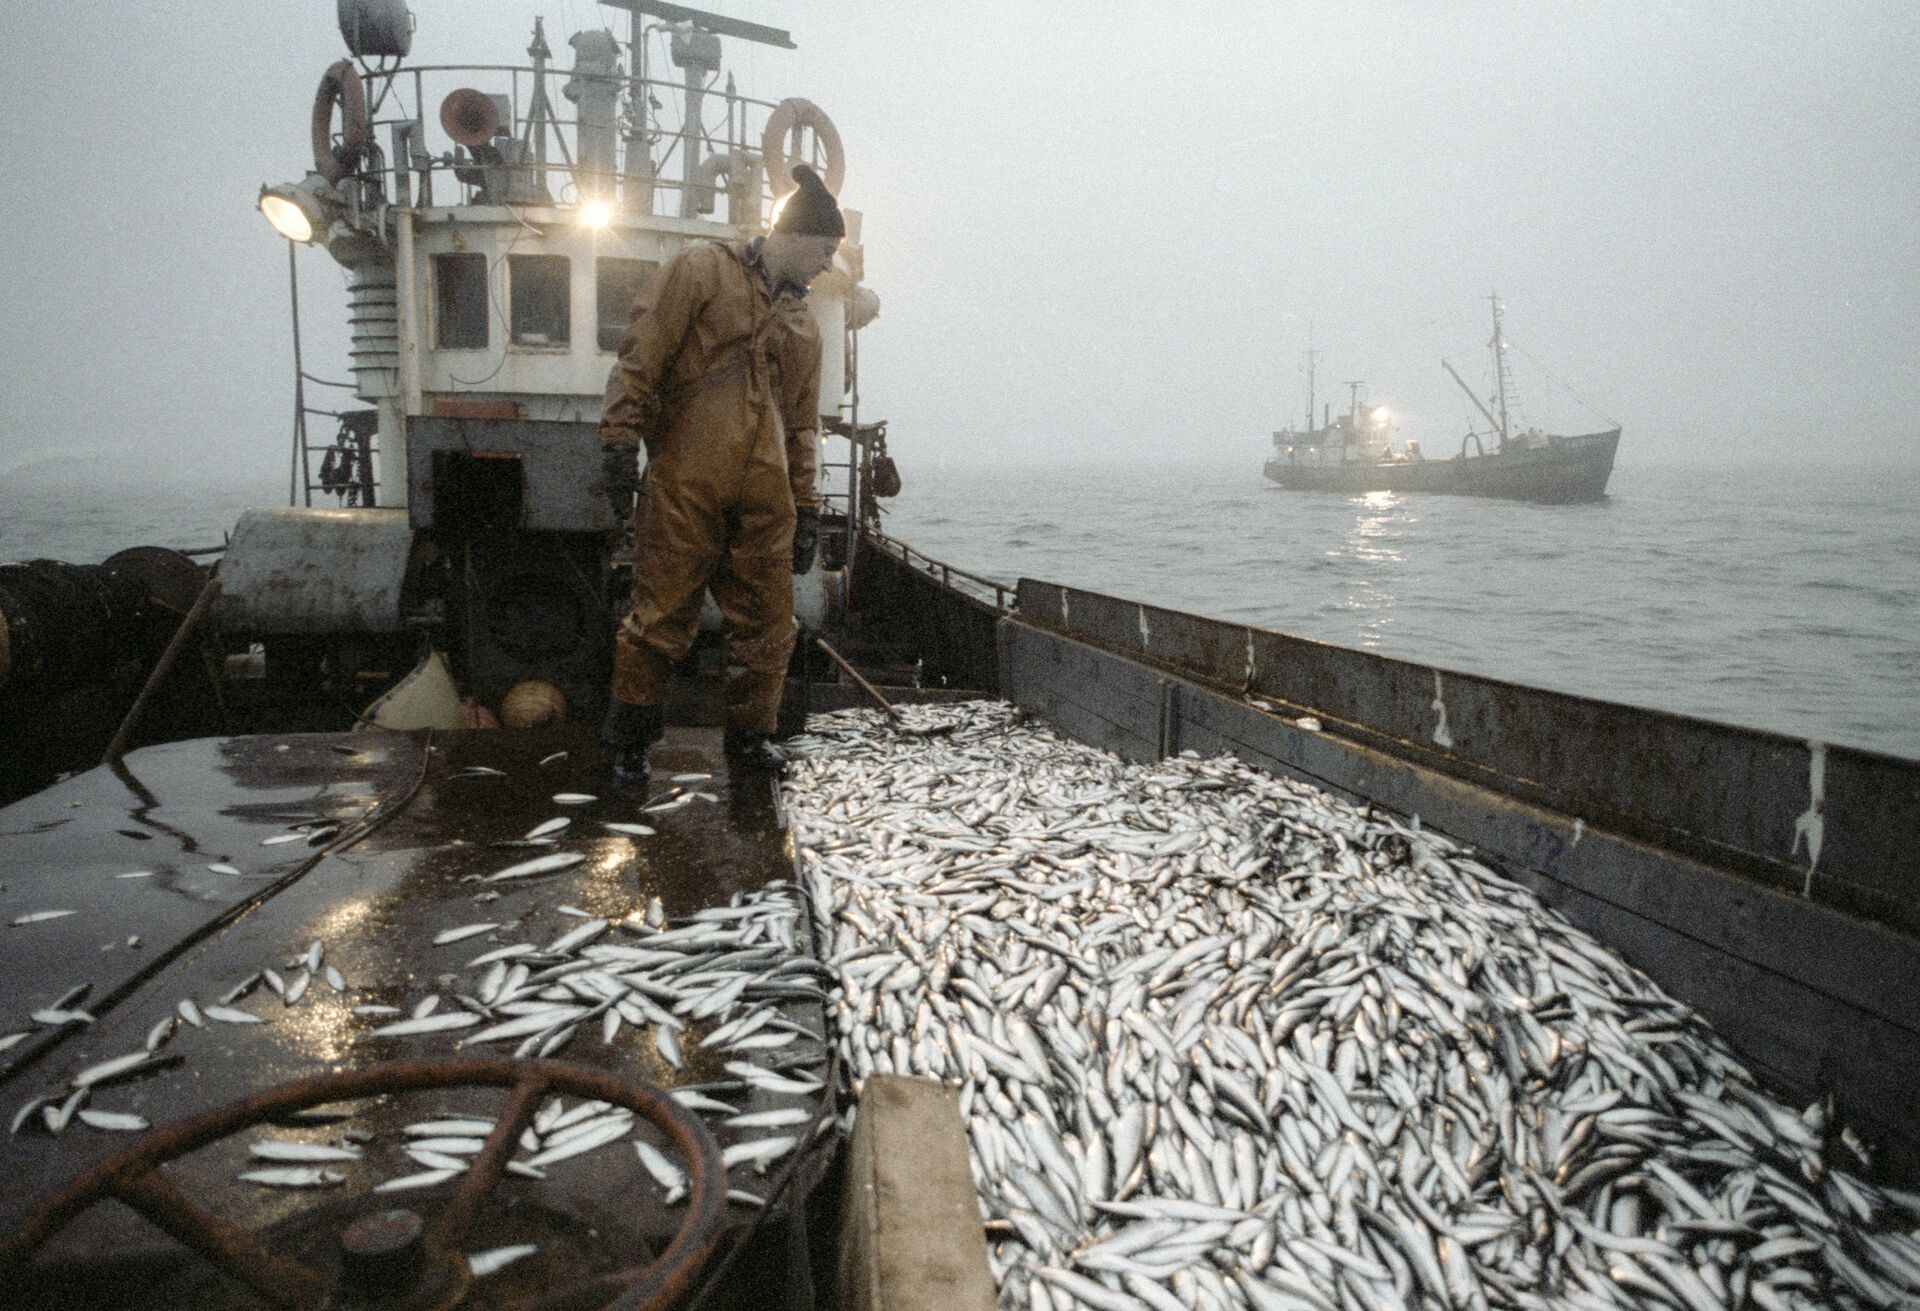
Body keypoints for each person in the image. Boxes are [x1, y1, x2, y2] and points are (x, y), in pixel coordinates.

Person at [598, 164, 844, 791]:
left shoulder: (804, 328)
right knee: (660, 617)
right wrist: (621, 438)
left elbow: (800, 428)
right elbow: (642, 351)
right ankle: (630, 744)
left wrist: (807, 506)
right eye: (825, 249)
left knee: (769, 625)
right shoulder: (701, 270)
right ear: (794, 235)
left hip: (767, 498)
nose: (826, 265)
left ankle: (750, 739)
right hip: (687, 482)